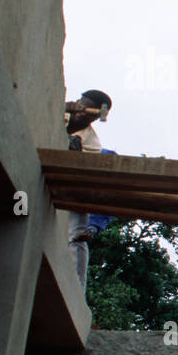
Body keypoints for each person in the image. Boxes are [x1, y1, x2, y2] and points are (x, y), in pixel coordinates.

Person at [63, 89, 115, 289]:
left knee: (75, 237)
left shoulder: (93, 146)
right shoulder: (59, 112)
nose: (80, 110)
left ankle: (75, 291)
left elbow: (102, 193)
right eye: (79, 103)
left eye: (87, 109)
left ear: (95, 116)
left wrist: (93, 226)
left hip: (71, 191)